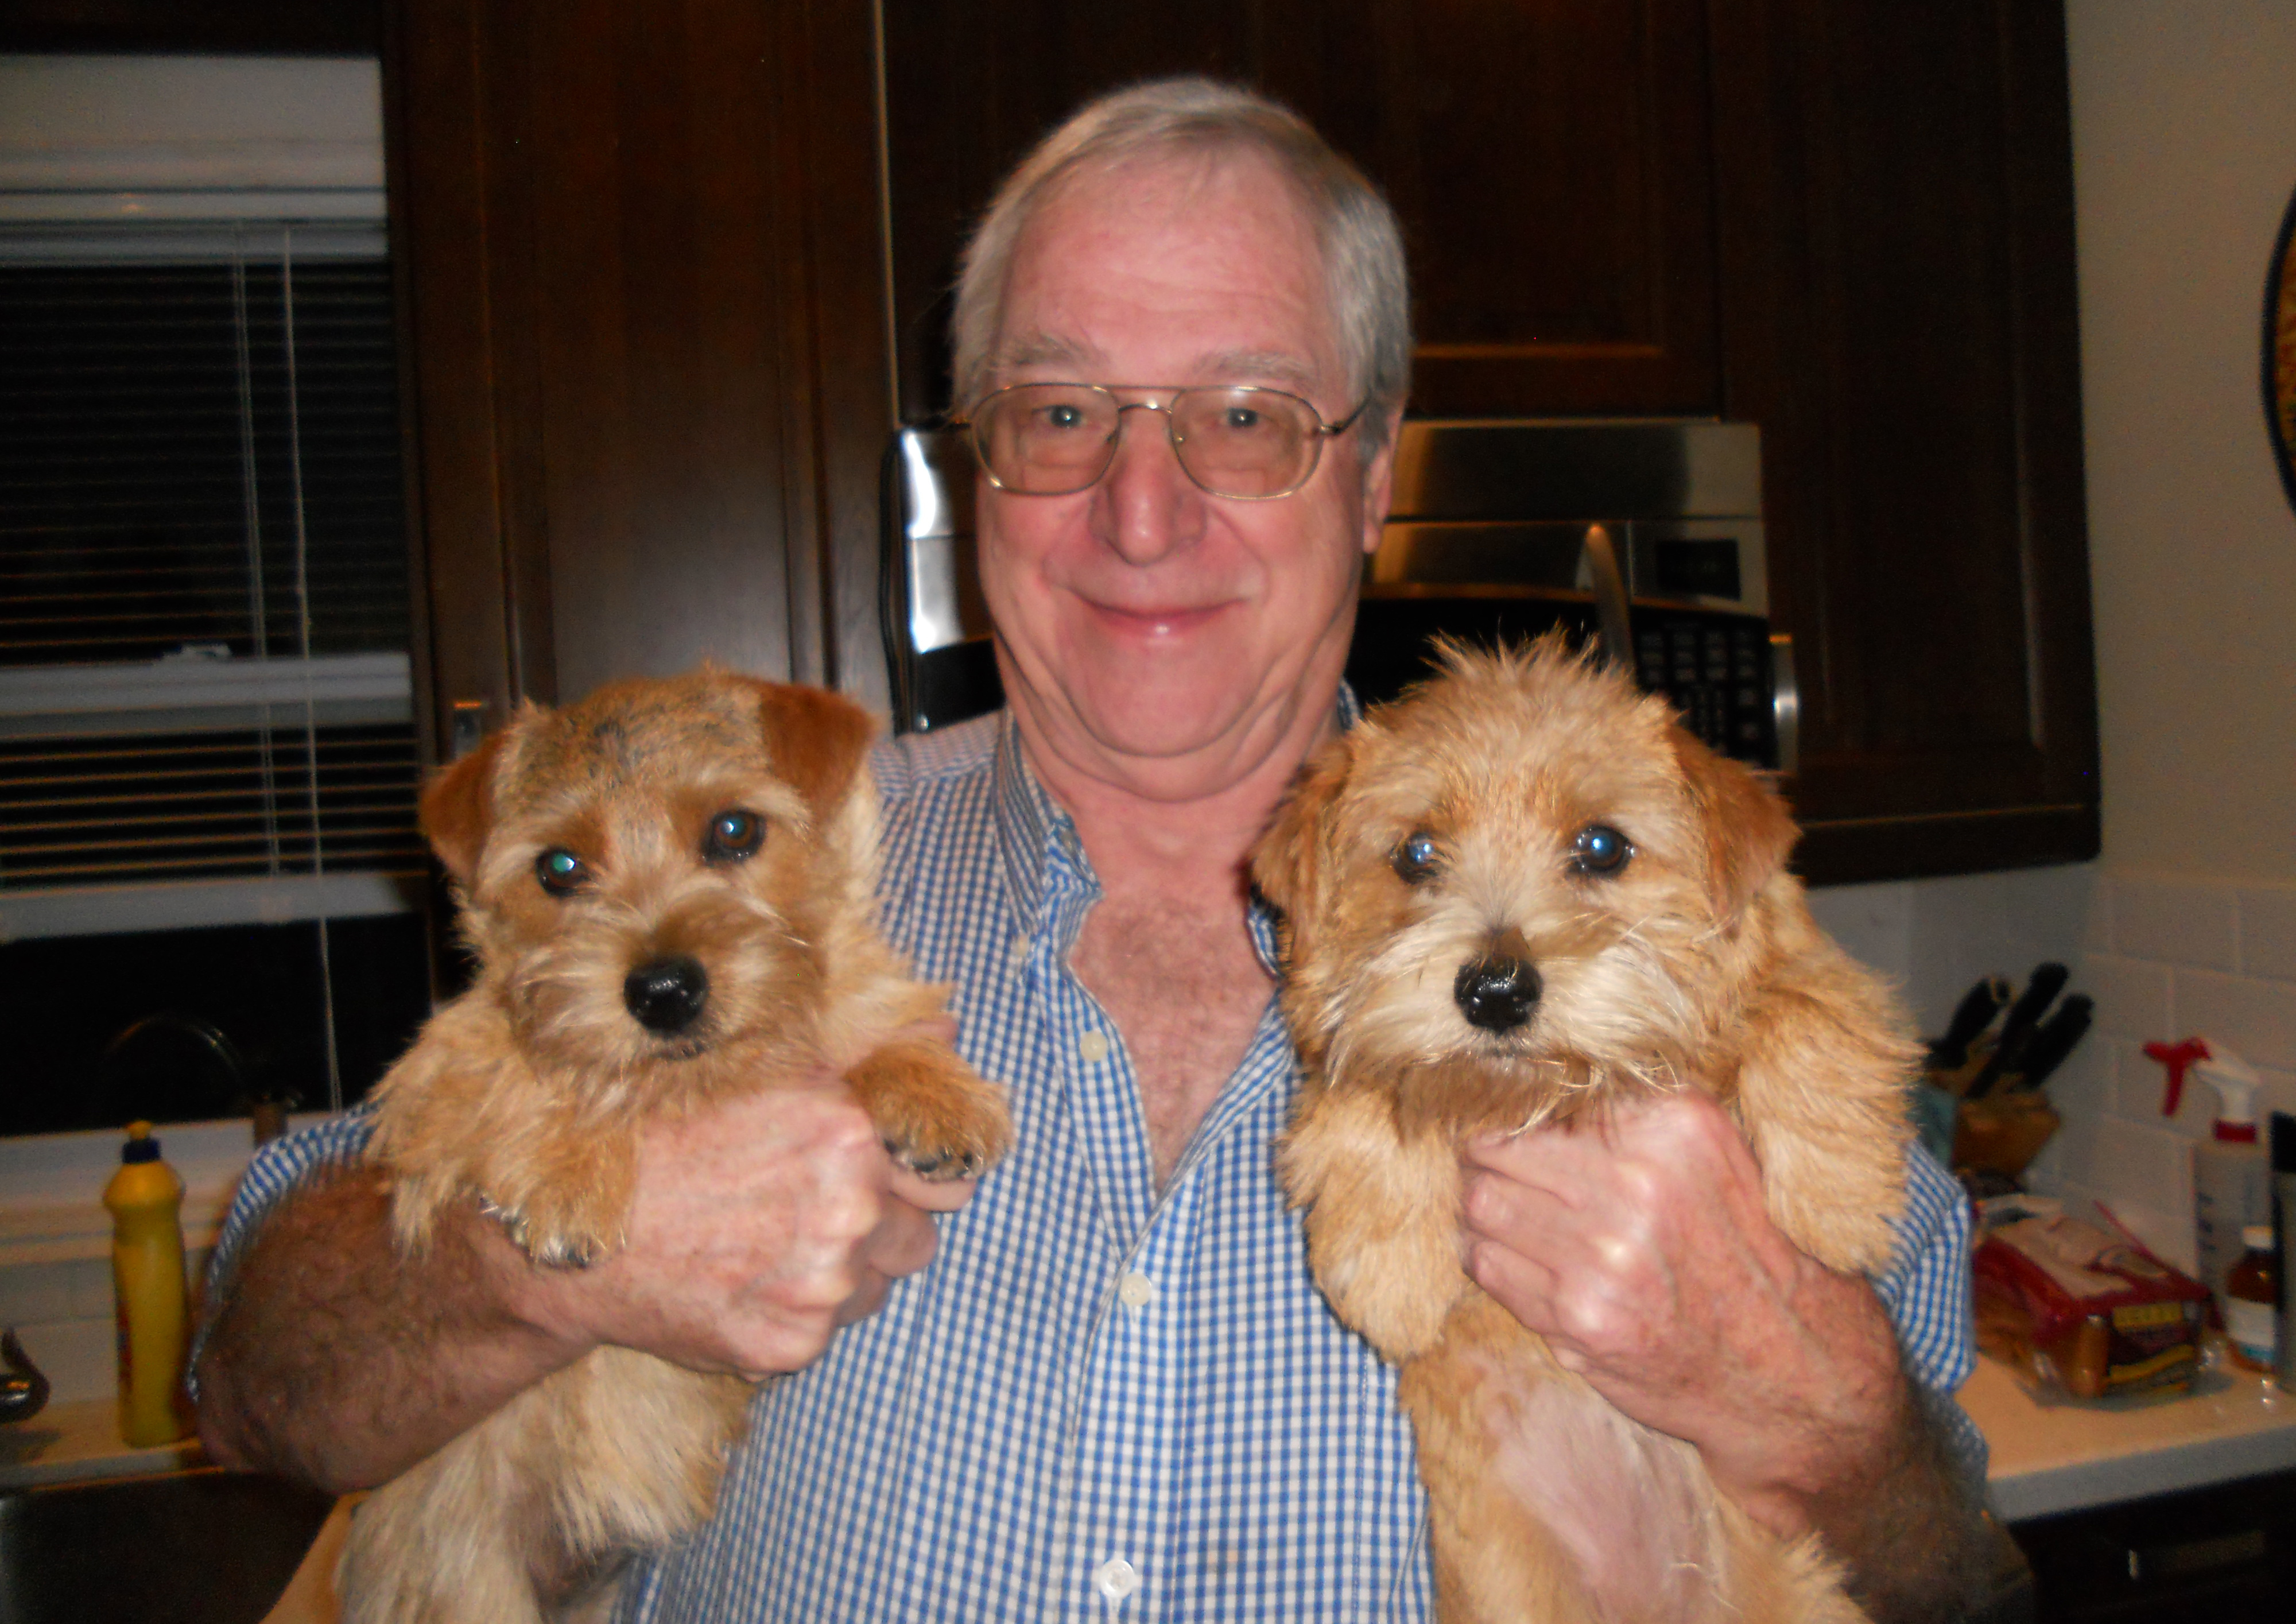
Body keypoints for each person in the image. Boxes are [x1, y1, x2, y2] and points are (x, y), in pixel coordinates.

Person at [197, 78, 1989, 1621]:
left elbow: (1968, 1577)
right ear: (977, 469)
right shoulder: (763, 872)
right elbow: (260, 1379)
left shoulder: (1645, 935)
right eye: (1061, 416)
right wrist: (539, 1254)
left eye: (1244, 417)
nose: (1143, 511)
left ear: (1372, 480)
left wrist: (1811, 1404)